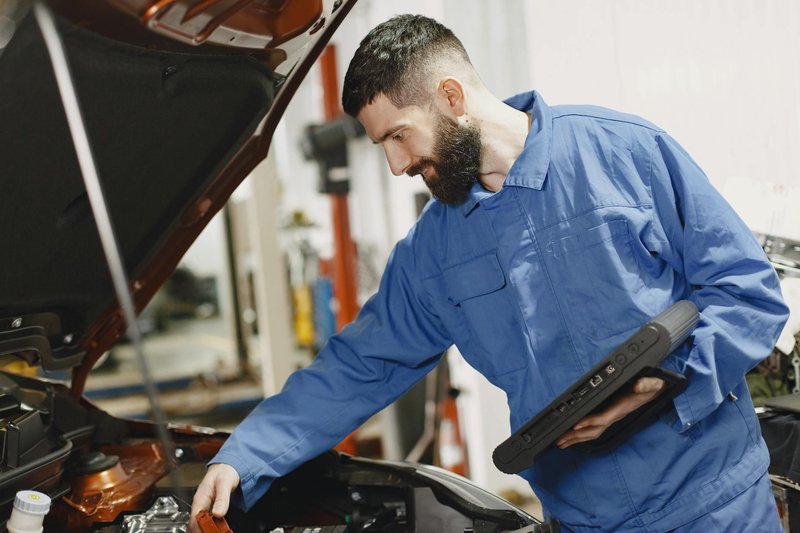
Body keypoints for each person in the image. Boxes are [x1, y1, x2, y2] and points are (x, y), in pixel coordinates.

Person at [191, 14, 789, 532]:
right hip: (584, 518)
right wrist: (245, 453)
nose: (397, 165)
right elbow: (359, 365)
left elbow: (746, 291)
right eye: (383, 146)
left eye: (400, 136)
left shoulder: (623, 154)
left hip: (713, 502)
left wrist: (668, 385)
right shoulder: (433, 251)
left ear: (452, 97)